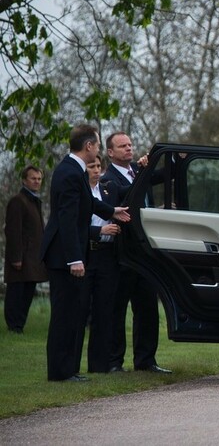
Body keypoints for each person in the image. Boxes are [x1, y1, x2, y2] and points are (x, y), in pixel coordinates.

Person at [41, 124, 130, 382]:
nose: (99, 149)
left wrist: (112, 211)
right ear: (89, 146)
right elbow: (67, 220)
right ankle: (60, 372)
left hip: (66, 255)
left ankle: (67, 369)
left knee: (71, 314)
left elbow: (87, 203)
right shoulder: (69, 173)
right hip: (63, 257)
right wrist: (75, 258)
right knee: (65, 315)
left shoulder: (73, 170)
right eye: (99, 145)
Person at [102, 131, 171, 374]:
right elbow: (126, 196)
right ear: (110, 152)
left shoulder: (138, 171)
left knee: (147, 308)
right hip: (121, 254)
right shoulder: (107, 178)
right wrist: (143, 172)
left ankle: (145, 360)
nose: (129, 149)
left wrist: (176, 158)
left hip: (145, 252)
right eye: (122, 146)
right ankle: (113, 362)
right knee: (117, 309)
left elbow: (165, 176)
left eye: (130, 145)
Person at [76, 155, 123, 373]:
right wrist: (99, 231)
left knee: (105, 311)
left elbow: (133, 191)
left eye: (98, 166)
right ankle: (72, 366)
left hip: (106, 256)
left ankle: (100, 366)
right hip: (86, 255)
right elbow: (71, 226)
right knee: (81, 309)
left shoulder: (108, 189)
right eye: (91, 166)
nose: (95, 170)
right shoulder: (78, 192)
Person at [4, 166, 48, 333]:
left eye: (39, 178)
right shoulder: (18, 201)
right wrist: (16, 257)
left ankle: (19, 325)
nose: (37, 181)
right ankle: (13, 326)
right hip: (21, 258)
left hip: (32, 258)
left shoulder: (34, 201)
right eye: (33, 178)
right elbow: (13, 231)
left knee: (28, 291)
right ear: (24, 180)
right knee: (16, 292)